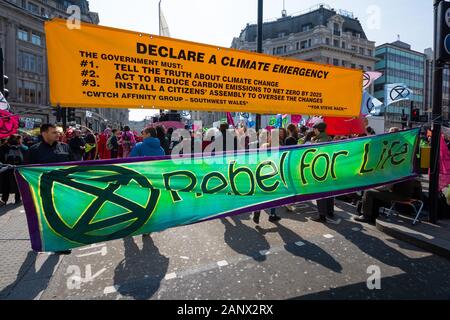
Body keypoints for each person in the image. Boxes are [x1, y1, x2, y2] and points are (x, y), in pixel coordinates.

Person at [354, 179, 422, 223]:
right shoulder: (406, 171)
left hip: (400, 196)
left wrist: (374, 188)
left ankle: (366, 216)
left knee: (368, 192)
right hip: (406, 196)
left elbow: (386, 188)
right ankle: (370, 214)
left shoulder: (397, 172)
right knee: (372, 192)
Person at [309, 122, 338, 224]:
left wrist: (312, 144)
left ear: (317, 130)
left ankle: (322, 216)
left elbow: (315, 155)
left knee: (320, 193)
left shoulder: (319, 141)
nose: (313, 131)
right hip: (329, 169)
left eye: (314, 129)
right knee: (329, 191)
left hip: (320, 171)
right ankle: (330, 211)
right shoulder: (330, 139)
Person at [253, 131, 282, 224]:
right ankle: (272, 214)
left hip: (262, 172)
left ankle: (257, 210)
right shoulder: (276, 147)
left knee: (262, 194)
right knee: (274, 195)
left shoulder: (262, 146)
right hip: (273, 173)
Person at [0, 134, 26, 205]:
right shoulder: (22, 148)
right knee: (18, 184)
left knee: (6, 184)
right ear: (18, 140)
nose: (22, 140)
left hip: (6, 169)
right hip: (18, 168)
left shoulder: (3, 147)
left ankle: (4, 200)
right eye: (21, 139)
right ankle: (17, 200)